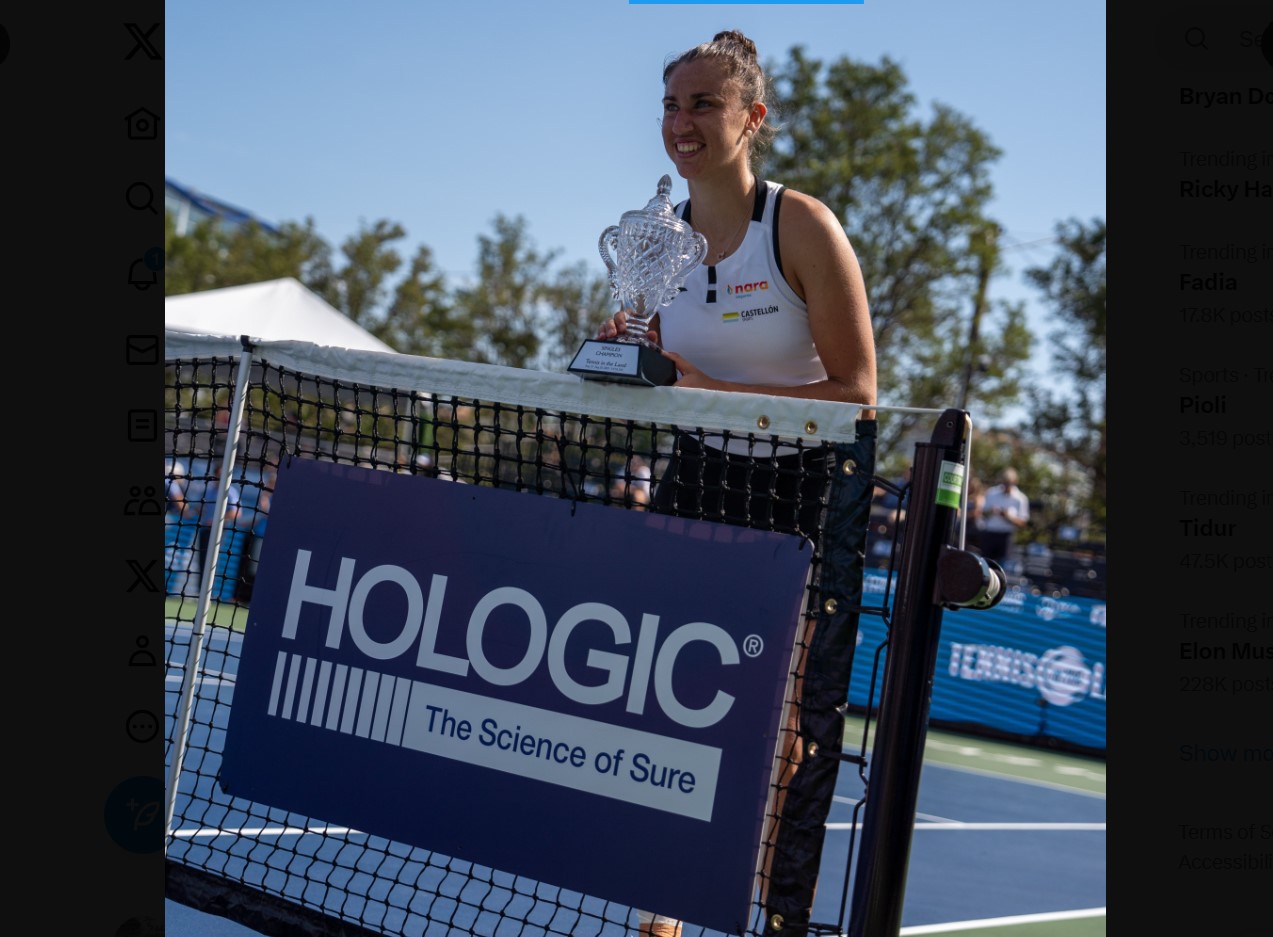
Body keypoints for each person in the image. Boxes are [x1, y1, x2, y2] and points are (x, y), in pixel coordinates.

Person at [594, 29, 877, 937]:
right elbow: (662, 378)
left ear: (751, 118)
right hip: (699, 476)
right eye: (671, 105)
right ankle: (663, 910)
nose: (681, 122)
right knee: (672, 706)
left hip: (803, 484)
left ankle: (768, 914)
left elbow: (859, 395)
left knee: (782, 733)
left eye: (703, 104)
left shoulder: (799, 224)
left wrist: (706, 388)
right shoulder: (656, 240)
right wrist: (628, 357)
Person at [978, 467, 1029, 564]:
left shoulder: (1021, 498)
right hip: (990, 533)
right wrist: (991, 511)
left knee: (1002, 565)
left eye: (1009, 483)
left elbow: (1023, 522)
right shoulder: (992, 493)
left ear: (1015, 482)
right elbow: (982, 513)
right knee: (985, 563)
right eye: (1004, 482)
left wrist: (1008, 517)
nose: (1006, 485)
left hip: (1006, 536)